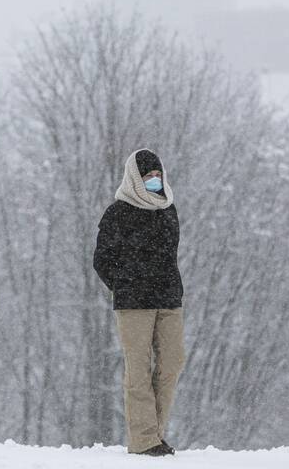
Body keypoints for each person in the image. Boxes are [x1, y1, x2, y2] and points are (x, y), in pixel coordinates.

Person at [93, 148, 185, 457]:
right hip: (134, 303)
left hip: (169, 298)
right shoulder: (117, 212)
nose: (155, 181)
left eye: (158, 175)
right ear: (135, 178)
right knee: (139, 370)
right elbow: (102, 259)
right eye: (148, 177)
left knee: (172, 362)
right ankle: (145, 440)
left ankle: (155, 433)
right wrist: (125, 283)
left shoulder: (168, 209)